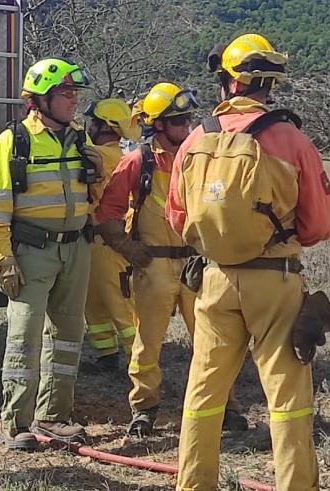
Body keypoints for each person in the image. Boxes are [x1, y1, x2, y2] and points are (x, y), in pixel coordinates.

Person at [166, 33, 330, 490]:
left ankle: (194, 483)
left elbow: (176, 215)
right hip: (274, 281)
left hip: (214, 280)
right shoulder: (290, 139)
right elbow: (318, 226)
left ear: (227, 81)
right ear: (267, 84)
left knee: (203, 392)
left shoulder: (196, 139)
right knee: (287, 395)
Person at [96, 82, 248, 437]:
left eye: (188, 119)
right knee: (148, 341)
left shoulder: (200, 156)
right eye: (178, 120)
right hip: (154, 265)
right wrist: (127, 248)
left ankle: (225, 405)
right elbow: (108, 211)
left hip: (197, 264)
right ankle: (144, 407)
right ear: (159, 124)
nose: (186, 126)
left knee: (214, 340)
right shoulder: (139, 160)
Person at [0, 58, 101, 450]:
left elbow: (93, 199)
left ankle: (54, 417)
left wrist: (101, 173)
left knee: (68, 336)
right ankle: (15, 422)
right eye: (67, 94)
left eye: (75, 93)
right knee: (24, 336)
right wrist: (3, 258)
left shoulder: (80, 139)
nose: (74, 100)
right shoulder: (14, 142)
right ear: (42, 99)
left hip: (76, 248)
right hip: (31, 251)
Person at [82, 98, 140, 373]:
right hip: (95, 242)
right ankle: (106, 354)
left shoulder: (106, 156)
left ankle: (139, 362)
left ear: (104, 126)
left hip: (107, 242)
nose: (88, 125)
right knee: (96, 302)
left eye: (92, 121)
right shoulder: (110, 154)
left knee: (120, 302)